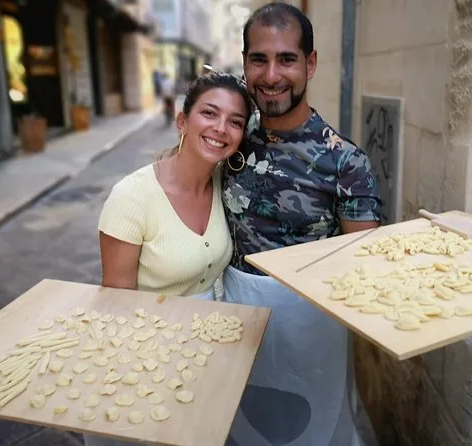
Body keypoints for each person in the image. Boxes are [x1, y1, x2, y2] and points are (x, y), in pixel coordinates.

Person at [221, 3, 382, 446]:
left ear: (309, 64)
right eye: (259, 59)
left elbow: (366, 270)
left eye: (286, 59)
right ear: (245, 63)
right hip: (235, 324)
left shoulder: (346, 163)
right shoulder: (229, 139)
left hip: (311, 335)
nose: (271, 75)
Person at [85, 72, 251, 446]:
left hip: (205, 348)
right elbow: (117, 303)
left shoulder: (226, 183)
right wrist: (148, 373)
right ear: (182, 121)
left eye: (235, 121)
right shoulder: (132, 196)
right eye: (209, 113)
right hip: (144, 352)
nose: (221, 128)